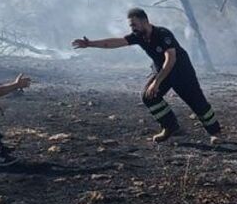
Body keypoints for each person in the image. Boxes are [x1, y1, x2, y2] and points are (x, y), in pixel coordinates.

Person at [71, 8, 221, 142]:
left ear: (144, 21)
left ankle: (216, 133)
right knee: (148, 96)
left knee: (196, 101)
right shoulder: (139, 36)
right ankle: (170, 127)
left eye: (134, 24)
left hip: (180, 70)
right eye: (131, 26)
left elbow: (171, 59)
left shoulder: (162, 34)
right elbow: (115, 42)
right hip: (162, 70)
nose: (132, 28)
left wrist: (157, 83)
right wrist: (90, 43)